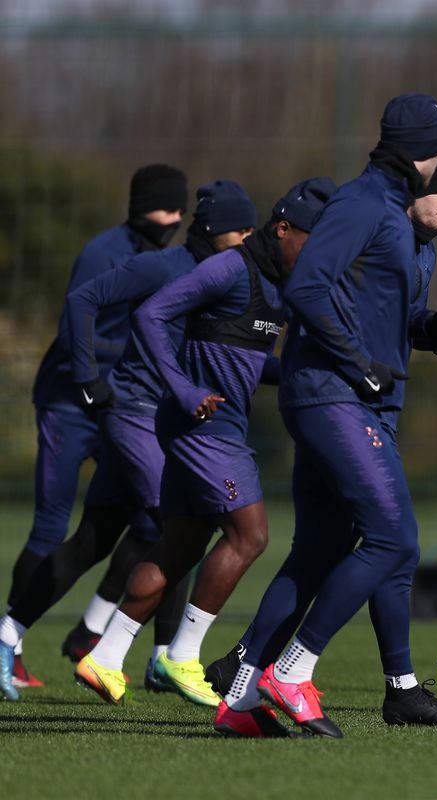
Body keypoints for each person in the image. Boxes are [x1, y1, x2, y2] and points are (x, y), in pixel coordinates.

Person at [220, 94, 437, 738]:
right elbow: (305, 288)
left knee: (323, 547)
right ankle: (293, 671)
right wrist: (359, 362)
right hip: (333, 395)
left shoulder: (387, 211)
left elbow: (367, 304)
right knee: (393, 539)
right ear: (423, 151)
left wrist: (427, 328)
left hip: (347, 395)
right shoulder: (363, 203)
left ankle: (240, 700)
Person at [70, 180, 334, 715]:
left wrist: (303, 373)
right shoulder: (229, 267)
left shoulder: (277, 282)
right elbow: (151, 316)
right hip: (202, 425)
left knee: (181, 544)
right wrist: (183, 388)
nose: (317, 254)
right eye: (312, 239)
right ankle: (183, 654)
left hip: (216, 423)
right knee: (251, 534)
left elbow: (242, 356)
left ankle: (107, 654)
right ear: (282, 229)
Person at [0, 180, 257, 704]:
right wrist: (89, 376)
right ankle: (163, 656)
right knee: (183, 523)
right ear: (213, 231)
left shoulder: (231, 275)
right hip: (136, 413)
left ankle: (8, 635)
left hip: (155, 416)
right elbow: (83, 299)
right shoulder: (167, 266)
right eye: (242, 230)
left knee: (95, 537)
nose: (250, 238)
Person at [0, 165, 185, 694]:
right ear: (142, 207)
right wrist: (99, 376)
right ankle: (10, 644)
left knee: (149, 524)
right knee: (51, 526)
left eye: (180, 211)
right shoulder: (104, 253)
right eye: (167, 209)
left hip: (121, 406)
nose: (174, 220)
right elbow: (72, 324)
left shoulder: (169, 262)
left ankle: (97, 631)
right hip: (70, 402)